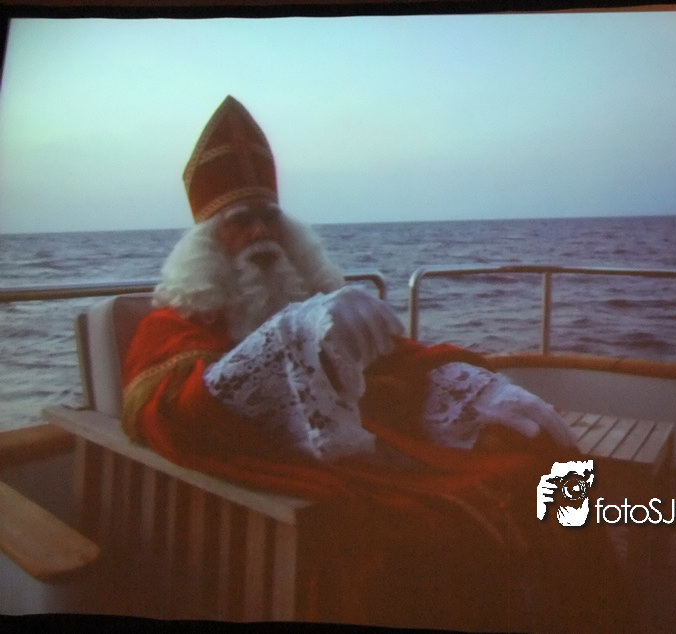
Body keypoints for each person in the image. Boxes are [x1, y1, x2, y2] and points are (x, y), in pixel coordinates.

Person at [122, 96, 637, 631]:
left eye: (269, 218)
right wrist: (290, 335)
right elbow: (172, 414)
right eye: (241, 221)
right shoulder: (174, 325)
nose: (260, 233)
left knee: (540, 459)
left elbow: (396, 358)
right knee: (433, 533)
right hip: (290, 469)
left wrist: (485, 389)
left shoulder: (307, 298)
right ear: (207, 244)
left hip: (376, 436)